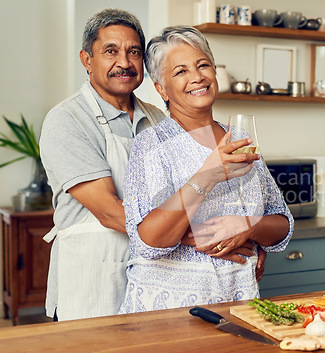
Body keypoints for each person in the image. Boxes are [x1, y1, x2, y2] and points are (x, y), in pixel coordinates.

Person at [39, 9, 265, 321]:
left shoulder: (159, 120)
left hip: (155, 279)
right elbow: (108, 210)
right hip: (95, 275)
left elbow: (204, 192)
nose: (124, 62)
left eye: (133, 51)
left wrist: (246, 234)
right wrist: (204, 239)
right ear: (86, 60)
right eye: (110, 51)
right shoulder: (67, 120)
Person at [118, 26, 293, 313]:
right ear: (161, 88)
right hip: (167, 312)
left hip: (239, 303)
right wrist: (207, 176)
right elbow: (148, 242)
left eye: (203, 65)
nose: (197, 77)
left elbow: (282, 224)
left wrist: (248, 227)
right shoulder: (151, 145)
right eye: (180, 71)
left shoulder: (240, 139)